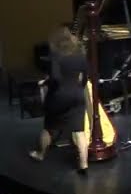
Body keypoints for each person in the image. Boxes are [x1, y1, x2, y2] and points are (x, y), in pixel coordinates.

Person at [30, 27, 90, 173]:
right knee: (79, 130)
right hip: (77, 95)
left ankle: (40, 154)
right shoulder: (80, 54)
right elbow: (85, 77)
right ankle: (83, 165)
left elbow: (55, 78)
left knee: (49, 127)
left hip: (59, 96)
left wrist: (45, 83)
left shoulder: (56, 55)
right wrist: (78, 88)